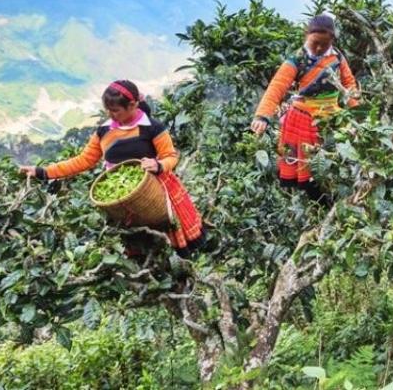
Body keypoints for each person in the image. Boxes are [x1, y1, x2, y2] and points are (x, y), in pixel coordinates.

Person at [19, 80, 205, 258]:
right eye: (107, 110)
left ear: (132, 105)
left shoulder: (152, 127)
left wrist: (158, 165)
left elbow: (170, 156)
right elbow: (83, 161)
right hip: (120, 198)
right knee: (136, 249)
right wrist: (42, 172)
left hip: (154, 191)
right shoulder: (104, 131)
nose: (111, 114)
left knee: (169, 246)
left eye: (115, 110)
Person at [250, 14, 358, 204]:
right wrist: (262, 116)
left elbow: (349, 84)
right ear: (306, 36)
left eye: (323, 45)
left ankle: (336, 203)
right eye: (315, 43)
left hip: (332, 119)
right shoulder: (297, 59)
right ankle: (324, 206)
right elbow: (277, 86)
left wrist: (359, 114)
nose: (318, 48)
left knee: (336, 163)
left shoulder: (337, 57)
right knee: (308, 172)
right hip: (303, 121)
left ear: (332, 40)